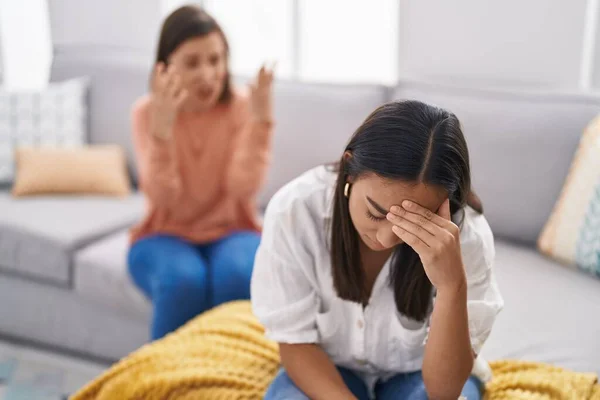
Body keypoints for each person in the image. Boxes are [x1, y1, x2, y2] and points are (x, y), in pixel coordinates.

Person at [251, 100, 503, 399]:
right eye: (376, 213)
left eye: (411, 223)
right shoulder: (296, 210)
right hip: (326, 367)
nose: (386, 238)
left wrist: (451, 285)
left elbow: (443, 392)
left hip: (418, 375)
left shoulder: (467, 236)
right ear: (349, 171)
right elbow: (295, 344)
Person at [128, 5, 275, 340]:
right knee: (182, 281)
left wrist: (260, 123)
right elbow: (166, 199)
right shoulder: (146, 113)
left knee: (237, 275)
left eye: (216, 60)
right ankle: (165, 388)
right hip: (163, 233)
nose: (208, 74)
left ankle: (229, 382)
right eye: (192, 63)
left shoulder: (240, 106)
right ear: (164, 69)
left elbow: (242, 189)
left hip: (234, 228)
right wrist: (161, 132)